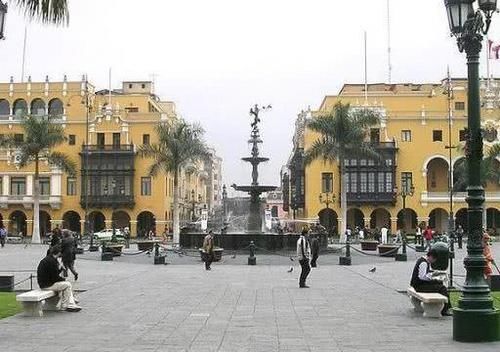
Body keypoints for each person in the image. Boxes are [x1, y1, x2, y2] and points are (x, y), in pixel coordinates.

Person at [37, 245, 82, 312]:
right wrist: (63, 279)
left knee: (65, 285)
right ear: (58, 253)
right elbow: (55, 278)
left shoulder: (49, 259)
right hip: (47, 285)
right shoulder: (52, 262)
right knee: (67, 285)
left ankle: (71, 300)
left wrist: (61, 270)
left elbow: (53, 274)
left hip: (45, 283)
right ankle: (67, 305)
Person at [410, 248, 451, 316]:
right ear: (431, 257)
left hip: (418, 284)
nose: (434, 261)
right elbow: (422, 277)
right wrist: (433, 278)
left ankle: (445, 307)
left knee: (439, 284)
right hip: (419, 286)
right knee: (442, 288)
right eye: (434, 259)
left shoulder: (424, 260)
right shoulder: (423, 263)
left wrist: (434, 274)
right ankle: (445, 309)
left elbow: (425, 273)